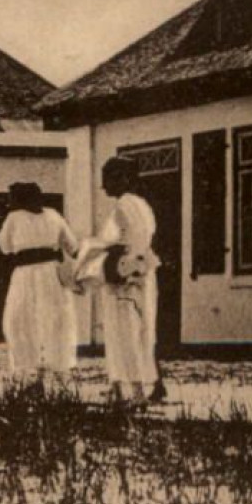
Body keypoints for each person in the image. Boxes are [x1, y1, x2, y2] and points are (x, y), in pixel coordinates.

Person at [93, 156, 163, 405]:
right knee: (143, 332)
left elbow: (117, 242)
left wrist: (105, 257)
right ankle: (128, 386)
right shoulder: (143, 205)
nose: (104, 186)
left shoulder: (122, 206)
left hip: (123, 274)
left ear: (123, 178)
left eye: (108, 179)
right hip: (143, 272)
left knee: (124, 332)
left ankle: (134, 390)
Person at [0, 181, 80, 380]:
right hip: (51, 274)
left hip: (26, 274)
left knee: (21, 319)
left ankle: (27, 368)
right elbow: (72, 246)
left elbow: (4, 246)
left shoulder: (14, 218)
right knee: (55, 318)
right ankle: (59, 367)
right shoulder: (54, 215)